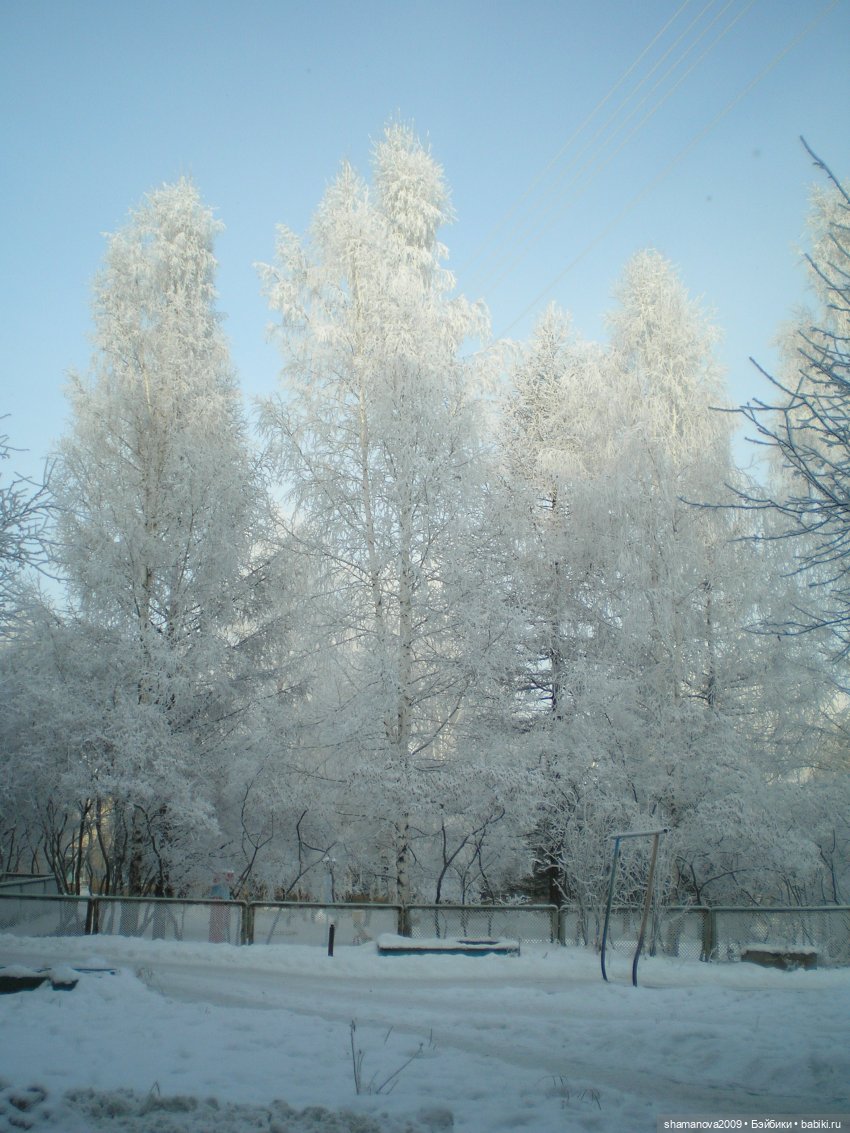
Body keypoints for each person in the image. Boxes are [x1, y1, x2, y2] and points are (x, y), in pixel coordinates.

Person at [208, 870, 234, 942]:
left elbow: (231, 881)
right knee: (216, 921)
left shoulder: (227, 871)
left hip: (224, 900)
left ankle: (220, 939)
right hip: (217, 899)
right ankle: (215, 939)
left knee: (222, 922)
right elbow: (211, 883)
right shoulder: (215, 871)